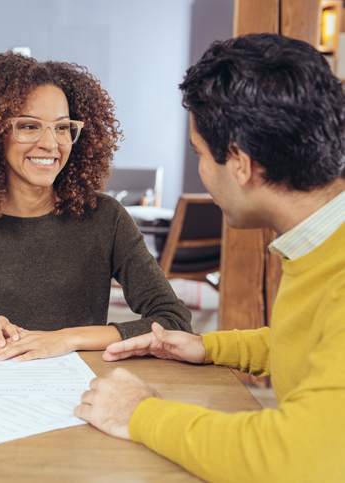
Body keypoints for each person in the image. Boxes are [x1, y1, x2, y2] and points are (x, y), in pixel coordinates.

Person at [75, 33, 345, 482]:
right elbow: (317, 347)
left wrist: (141, 413)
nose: (201, 171)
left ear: (239, 163)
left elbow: (298, 461)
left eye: (200, 154)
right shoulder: (320, 241)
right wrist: (209, 347)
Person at [0, 52, 191, 361]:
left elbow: (174, 321)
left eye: (63, 127)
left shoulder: (105, 218)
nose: (51, 144)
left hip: (83, 392)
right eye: (29, 126)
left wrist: (67, 338)